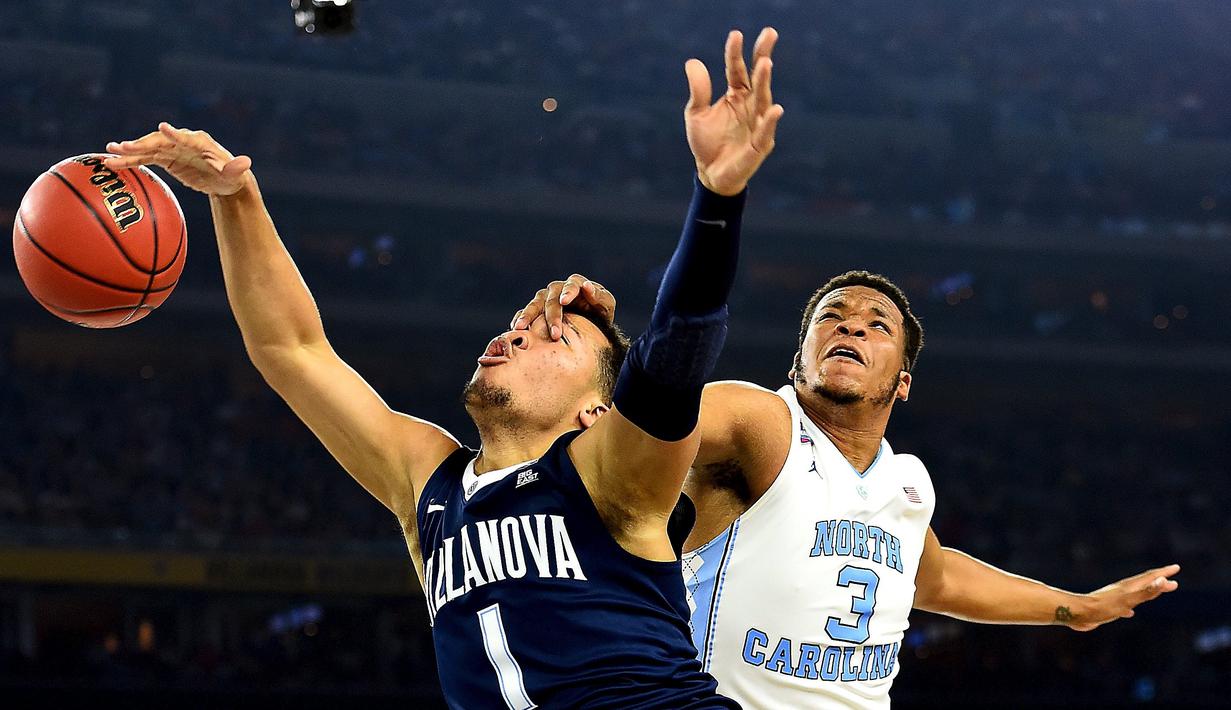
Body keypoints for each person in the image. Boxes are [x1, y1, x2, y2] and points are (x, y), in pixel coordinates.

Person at [102, 27, 785, 709]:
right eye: (521, 325)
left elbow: (677, 348)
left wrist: (716, 201)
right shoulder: (427, 478)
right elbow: (291, 350)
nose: (516, 335)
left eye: (554, 339)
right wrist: (235, 196)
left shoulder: (612, 474)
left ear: (597, 412)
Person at [512, 270, 1181, 708]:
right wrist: (608, 354)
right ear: (797, 360)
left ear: (903, 381)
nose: (851, 325)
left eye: (876, 324)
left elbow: (937, 580)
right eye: (831, 318)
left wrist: (1073, 608)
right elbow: (659, 421)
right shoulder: (759, 422)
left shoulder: (905, 485)